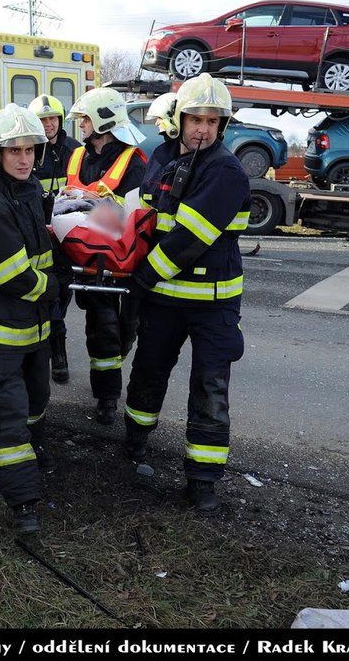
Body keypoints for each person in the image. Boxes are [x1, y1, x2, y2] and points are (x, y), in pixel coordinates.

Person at [122, 73, 251, 512]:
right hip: (164, 299)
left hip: (211, 303)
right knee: (148, 370)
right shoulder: (160, 155)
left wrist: (142, 276)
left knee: (210, 388)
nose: (202, 128)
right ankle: (135, 442)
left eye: (212, 121)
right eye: (195, 118)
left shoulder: (226, 172)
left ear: (222, 127)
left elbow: (190, 237)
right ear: (179, 119)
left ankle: (202, 480)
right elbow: (144, 214)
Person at [0, 103, 58, 535]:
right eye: (14, 151)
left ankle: (33, 451)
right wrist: (59, 285)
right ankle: (24, 506)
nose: (24, 158)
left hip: (33, 334)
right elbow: (16, 277)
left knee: (36, 404)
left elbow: (40, 253)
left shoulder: (29, 190)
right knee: (9, 418)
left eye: (30, 149)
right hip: (0, 339)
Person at [65, 87, 148, 425]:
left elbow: (137, 212)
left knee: (126, 329)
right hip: (89, 260)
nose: (80, 124)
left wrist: (94, 209)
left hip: (127, 260)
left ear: (103, 120)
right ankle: (107, 397)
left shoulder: (134, 161)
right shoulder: (76, 157)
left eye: (84, 118)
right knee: (102, 328)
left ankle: (116, 364)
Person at [28, 94, 81, 384]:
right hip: (38, 238)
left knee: (61, 296)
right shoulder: (30, 150)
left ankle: (52, 347)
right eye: (42, 120)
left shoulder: (75, 151)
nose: (48, 124)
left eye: (52, 119)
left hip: (67, 239)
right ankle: (57, 355)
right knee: (51, 301)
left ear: (60, 120)